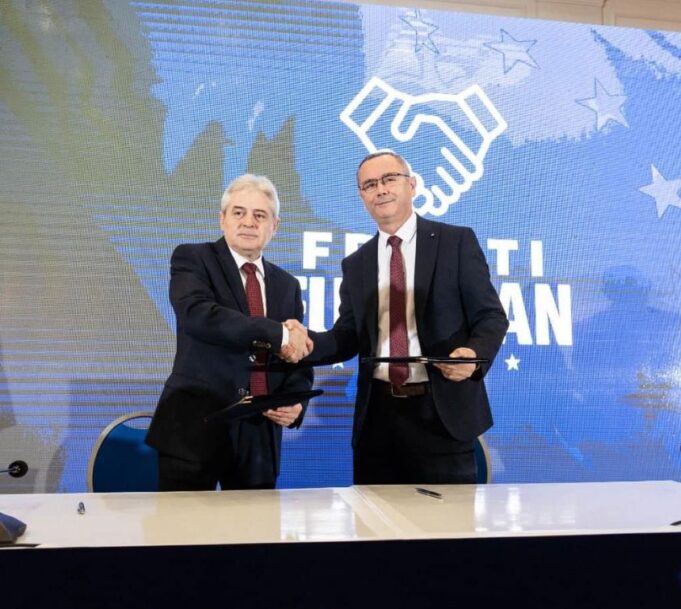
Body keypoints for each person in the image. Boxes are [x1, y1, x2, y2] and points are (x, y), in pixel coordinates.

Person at [285, 150, 508, 485]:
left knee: (448, 518)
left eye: (389, 179)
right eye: (370, 184)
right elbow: (348, 336)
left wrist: (473, 356)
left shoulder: (455, 242)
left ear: (412, 185)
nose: (381, 189)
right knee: (374, 518)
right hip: (378, 420)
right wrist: (304, 342)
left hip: (442, 413)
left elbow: (491, 316)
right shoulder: (356, 263)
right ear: (362, 196)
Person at [146, 174, 313, 491]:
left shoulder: (287, 285)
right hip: (194, 430)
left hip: (260, 435)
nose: (249, 222)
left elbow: (296, 356)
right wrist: (277, 332)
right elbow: (200, 316)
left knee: (257, 523)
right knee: (182, 523)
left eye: (260, 215)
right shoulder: (193, 258)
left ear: (274, 226)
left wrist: (296, 401)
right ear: (222, 219)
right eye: (239, 212)